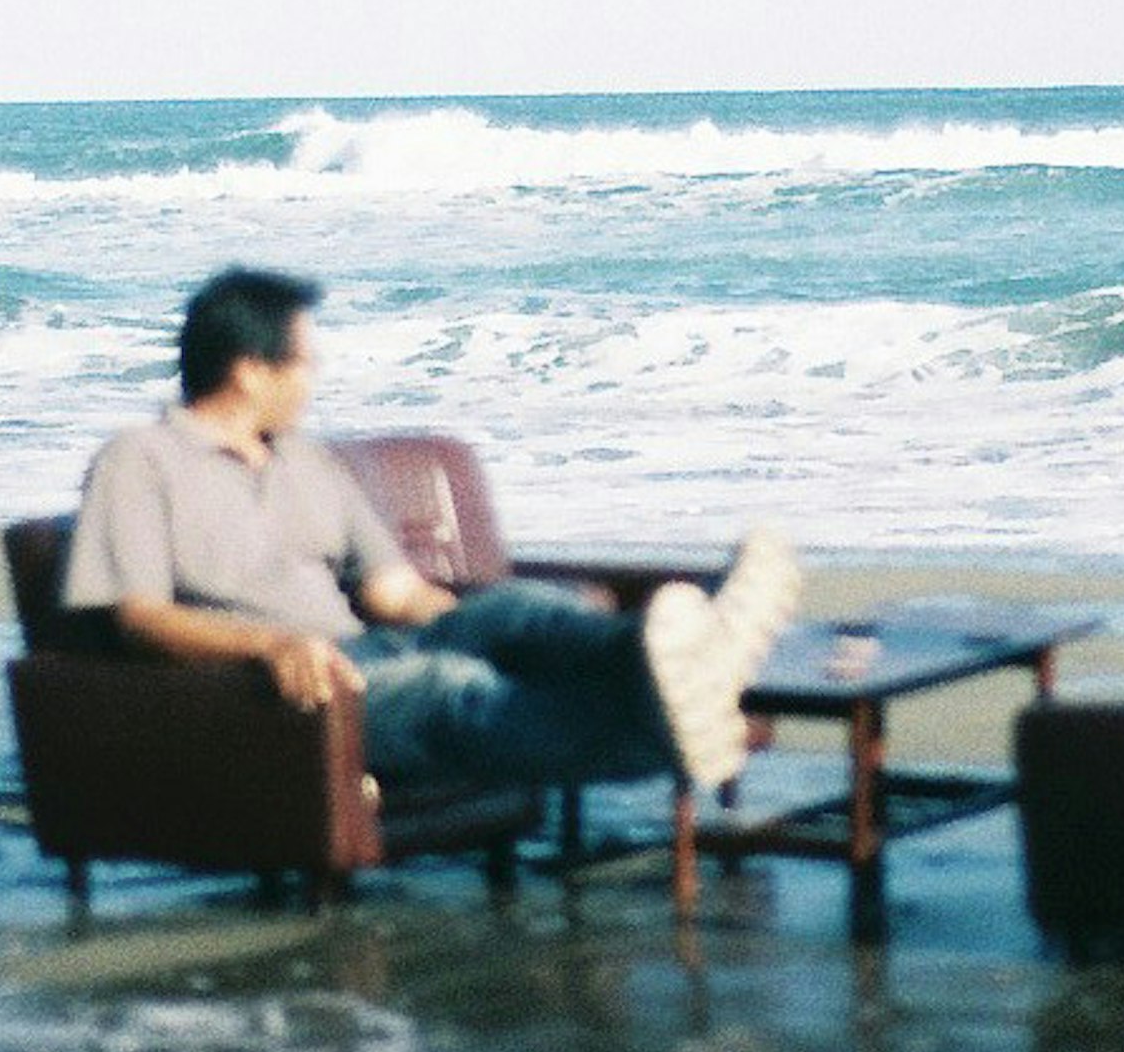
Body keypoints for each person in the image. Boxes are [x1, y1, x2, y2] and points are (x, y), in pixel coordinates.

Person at [61, 267, 798, 793]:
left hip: (365, 648)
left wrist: (488, 625)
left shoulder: (307, 462)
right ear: (251, 370)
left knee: (518, 612)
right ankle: (672, 721)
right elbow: (139, 617)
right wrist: (275, 643)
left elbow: (393, 590)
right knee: (451, 684)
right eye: (304, 364)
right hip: (274, 688)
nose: (311, 380)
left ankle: (676, 655)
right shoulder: (140, 459)